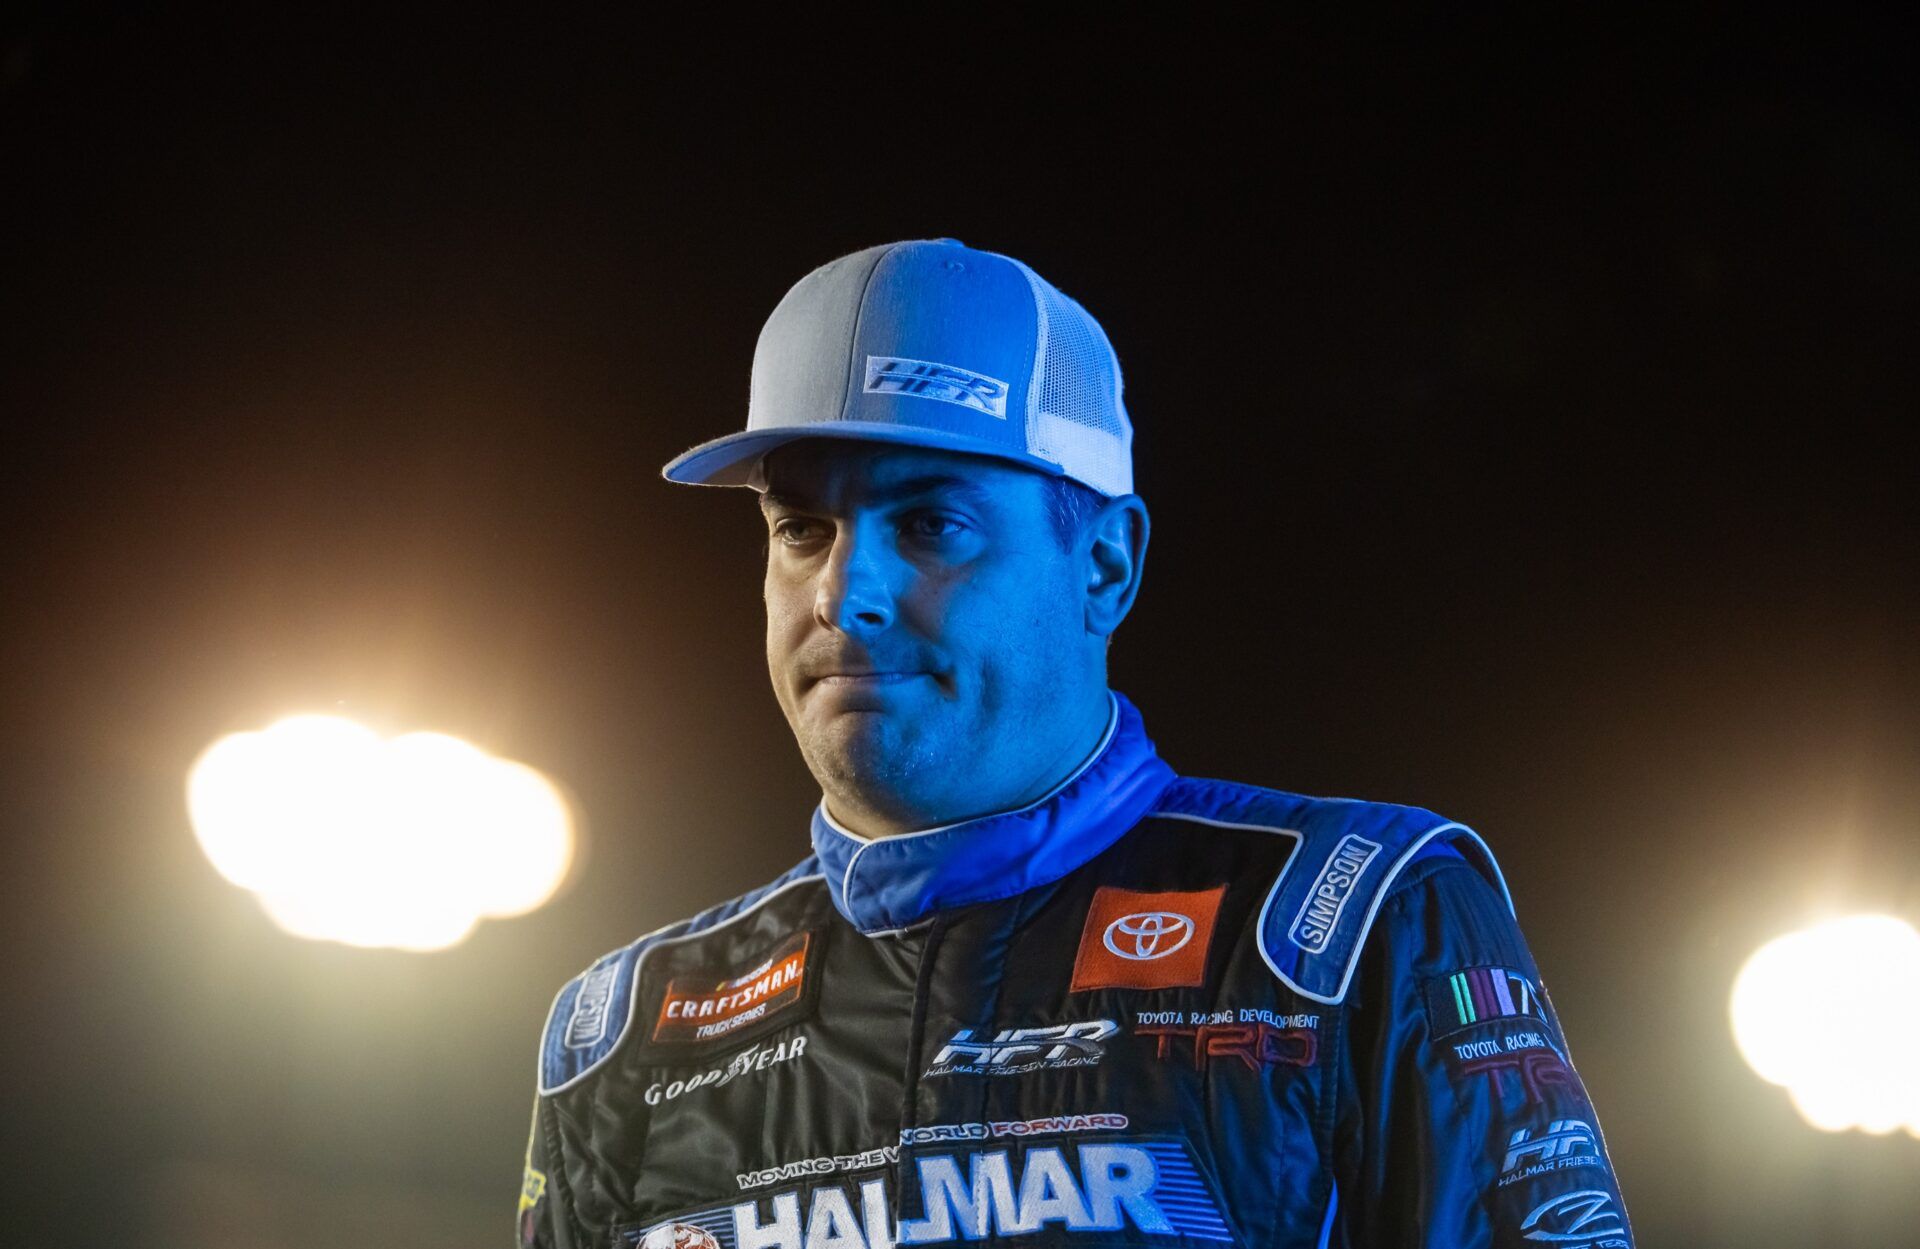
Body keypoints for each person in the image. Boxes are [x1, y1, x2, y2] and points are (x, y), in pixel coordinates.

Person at [517, 239, 1633, 1249]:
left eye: (931, 523)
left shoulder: (1350, 920)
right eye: (802, 529)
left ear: (1105, 566)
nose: (845, 593)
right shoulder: (624, 1035)